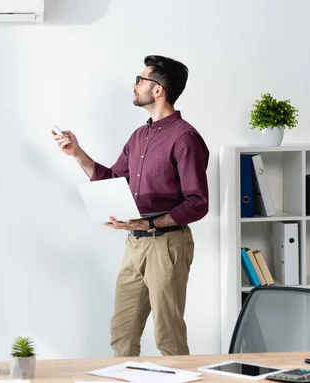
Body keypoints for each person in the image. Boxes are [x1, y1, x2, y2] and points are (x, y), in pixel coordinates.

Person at [52, 55, 209, 357]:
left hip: (167, 245)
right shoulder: (140, 136)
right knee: (121, 334)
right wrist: (77, 153)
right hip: (134, 245)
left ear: (158, 89)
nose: (134, 85)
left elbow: (197, 203)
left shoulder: (185, 138)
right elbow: (112, 178)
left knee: (169, 337)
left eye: (140, 79)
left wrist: (147, 224)